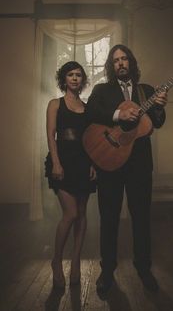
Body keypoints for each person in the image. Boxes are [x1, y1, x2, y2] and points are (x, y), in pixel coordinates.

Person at [85, 44, 168, 295]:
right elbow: (91, 112)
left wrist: (160, 106)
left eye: (124, 59)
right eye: (116, 60)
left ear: (130, 62)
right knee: (109, 218)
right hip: (110, 160)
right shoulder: (102, 90)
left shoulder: (147, 91)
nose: (121, 63)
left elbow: (158, 123)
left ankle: (143, 268)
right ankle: (107, 270)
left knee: (141, 217)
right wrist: (118, 114)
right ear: (112, 66)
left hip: (140, 165)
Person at [45, 61, 96, 289]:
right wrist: (56, 162)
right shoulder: (55, 104)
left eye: (78, 75)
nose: (75, 78)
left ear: (82, 80)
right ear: (63, 79)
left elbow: (91, 139)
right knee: (71, 213)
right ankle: (56, 260)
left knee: (82, 213)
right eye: (70, 75)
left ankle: (75, 261)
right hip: (62, 162)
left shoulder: (87, 108)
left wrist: (93, 163)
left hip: (84, 163)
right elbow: (51, 135)